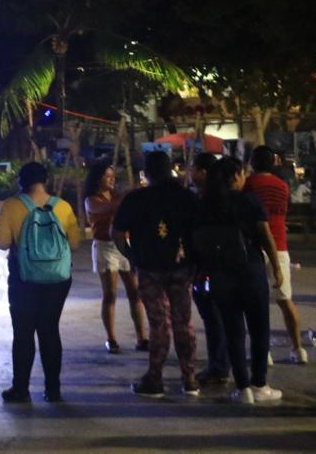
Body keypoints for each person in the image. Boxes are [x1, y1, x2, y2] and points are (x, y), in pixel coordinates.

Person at [193, 157, 283, 404]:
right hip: (250, 270)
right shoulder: (249, 200)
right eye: (243, 173)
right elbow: (265, 236)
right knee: (259, 328)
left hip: (221, 274)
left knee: (233, 331)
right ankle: (260, 385)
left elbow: (197, 242)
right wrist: (277, 267)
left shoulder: (205, 205)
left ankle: (243, 389)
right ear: (235, 176)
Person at [112, 151, 199, 398]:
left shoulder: (136, 199)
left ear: (146, 173)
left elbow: (117, 233)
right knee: (184, 322)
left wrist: (132, 256)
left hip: (149, 268)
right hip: (181, 267)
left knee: (159, 324)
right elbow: (198, 229)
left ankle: (155, 378)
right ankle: (189, 378)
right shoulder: (185, 197)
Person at [0, 162, 80, 403]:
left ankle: (20, 388)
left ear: (21, 181)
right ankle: (53, 389)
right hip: (57, 278)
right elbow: (73, 244)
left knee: (23, 332)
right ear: (46, 180)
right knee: (50, 330)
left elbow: (0, 242)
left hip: (24, 278)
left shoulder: (12, 205)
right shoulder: (62, 206)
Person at [244, 145, 306, 365]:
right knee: (286, 300)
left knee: (255, 305)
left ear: (252, 162)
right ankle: (298, 348)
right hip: (280, 246)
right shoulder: (282, 186)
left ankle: (263, 352)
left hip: (255, 248)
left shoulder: (249, 185)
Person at [84, 159, 147, 354]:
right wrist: (133, 194)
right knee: (109, 294)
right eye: (107, 176)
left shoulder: (117, 195)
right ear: (97, 178)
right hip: (104, 246)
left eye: (112, 176)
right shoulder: (91, 200)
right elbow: (108, 209)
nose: (111, 179)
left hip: (124, 244)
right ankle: (111, 338)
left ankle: (142, 337)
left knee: (135, 292)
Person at [189, 152, 230, 385]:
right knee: (220, 317)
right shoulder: (225, 196)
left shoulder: (207, 201)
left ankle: (219, 367)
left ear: (204, 172)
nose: (190, 173)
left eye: (193, 169)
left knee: (214, 317)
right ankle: (221, 364)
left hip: (209, 267)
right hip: (225, 266)